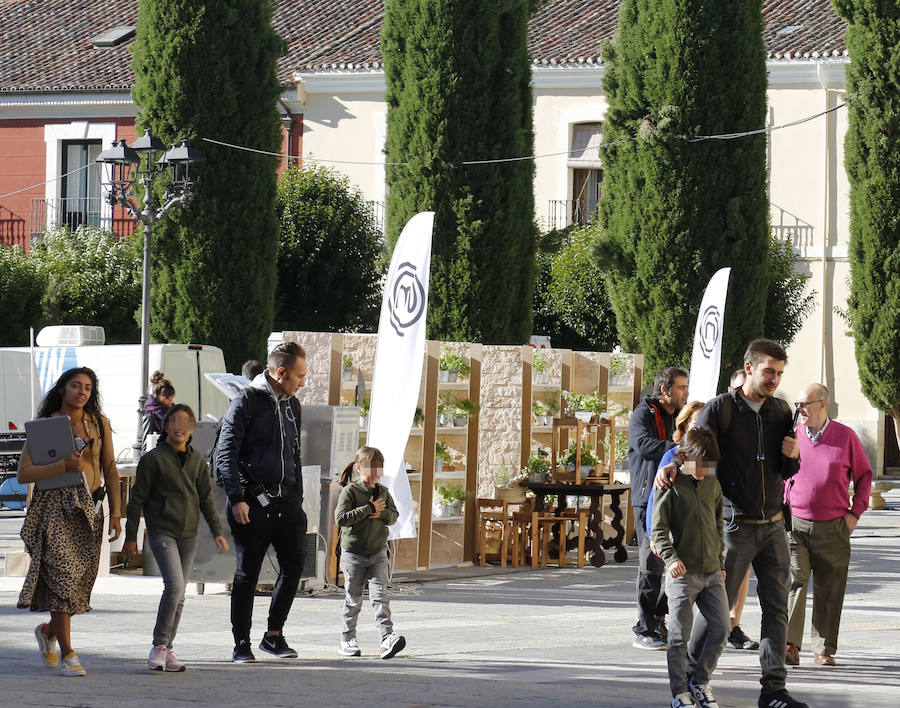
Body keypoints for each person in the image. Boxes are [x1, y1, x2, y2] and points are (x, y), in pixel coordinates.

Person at [657, 339, 807, 708]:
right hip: (734, 525)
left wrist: (795, 456)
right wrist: (673, 467)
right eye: (769, 371)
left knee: (776, 610)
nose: (774, 379)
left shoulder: (780, 411)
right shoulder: (720, 409)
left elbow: (784, 469)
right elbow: (694, 448)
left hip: (773, 525)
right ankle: (694, 679)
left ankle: (773, 690)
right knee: (716, 612)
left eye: (780, 373)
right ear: (750, 367)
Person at [16, 367, 121, 677]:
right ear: (63, 389)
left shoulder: (99, 424)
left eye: (88, 387)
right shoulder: (46, 427)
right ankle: (69, 654)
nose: (82, 392)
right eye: (76, 385)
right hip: (54, 510)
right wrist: (60, 465)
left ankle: (49, 631)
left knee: (78, 586)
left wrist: (116, 512)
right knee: (62, 579)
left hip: (90, 511)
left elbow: (111, 469)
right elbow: (24, 474)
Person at [216, 341, 308, 663]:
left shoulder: (292, 405)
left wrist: (297, 497)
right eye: (299, 376)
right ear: (281, 372)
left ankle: (273, 636)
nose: (302, 382)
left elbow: (293, 454)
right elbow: (225, 454)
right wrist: (237, 498)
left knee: (295, 565)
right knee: (247, 575)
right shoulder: (246, 402)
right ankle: (241, 643)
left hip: (287, 504)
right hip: (251, 505)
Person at [123, 404, 229, 672]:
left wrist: (218, 532)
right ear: (166, 427)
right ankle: (158, 645)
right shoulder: (153, 459)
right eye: (174, 422)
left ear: (192, 429)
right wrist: (131, 536)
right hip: (162, 532)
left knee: (180, 593)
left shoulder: (196, 461)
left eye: (186, 422)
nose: (180, 427)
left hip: (189, 535)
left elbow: (206, 499)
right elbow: (137, 500)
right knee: (174, 586)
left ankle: (168, 648)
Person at [785, 383, 872, 667]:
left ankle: (823, 648)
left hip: (834, 525)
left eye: (804, 404)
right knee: (795, 582)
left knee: (830, 587)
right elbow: (781, 471)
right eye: (798, 405)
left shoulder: (846, 437)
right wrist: (784, 498)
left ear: (823, 404)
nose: (800, 410)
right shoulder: (794, 436)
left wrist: (855, 514)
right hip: (796, 524)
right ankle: (789, 645)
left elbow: (864, 476)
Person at [652, 426, 728, 708]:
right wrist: (671, 559)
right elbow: (657, 530)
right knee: (678, 637)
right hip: (682, 575)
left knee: (721, 628)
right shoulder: (670, 485)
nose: (705, 469)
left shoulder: (713, 485)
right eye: (701, 463)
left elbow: (718, 526)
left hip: (712, 573)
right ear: (685, 456)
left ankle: (700, 682)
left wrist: (720, 563)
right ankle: (679, 692)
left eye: (710, 464)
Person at [629, 366, 689, 650]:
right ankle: (644, 626)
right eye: (681, 387)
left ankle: (659, 617)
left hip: (675, 499)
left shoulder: (679, 416)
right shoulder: (644, 414)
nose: (685, 392)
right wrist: (675, 449)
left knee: (679, 559)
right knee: (650, 563)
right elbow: (642, 445)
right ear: (665, 390)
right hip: (647, 497)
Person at [334, 446, 406, 660]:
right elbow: (341, 518)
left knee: (380, 597)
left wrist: (381, 513)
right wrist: (368, 509)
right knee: (353, 599)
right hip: (353, 554)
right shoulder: (350, 491)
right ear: (358, 468)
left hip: (378, 553)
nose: (375, 472)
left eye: (379, 467)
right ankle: (347, 639)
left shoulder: (383, 491)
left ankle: (387, 638)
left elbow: (394, 516)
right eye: (370, 467)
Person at [725, 367, 759, 652]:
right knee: (720, 573)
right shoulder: (717, 420)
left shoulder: (757, 423)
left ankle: (733, 626)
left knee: (743, 570)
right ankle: (713, 626)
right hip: (719, 511)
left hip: (746, 512)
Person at [143, 370, 175, 439]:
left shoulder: (175, 412)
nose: (171, 399)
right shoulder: (150, 416)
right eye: (166, 397)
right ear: (156, 397)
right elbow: (147, 444)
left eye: (172, 396)